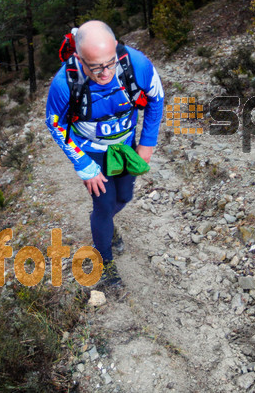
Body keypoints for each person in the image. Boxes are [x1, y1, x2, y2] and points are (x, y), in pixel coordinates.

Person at [45, 20, 165, 294]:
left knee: (124, 197)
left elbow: (156, 97)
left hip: (124, 144)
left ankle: (105, 225)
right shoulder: (65, 83)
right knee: (104, 203)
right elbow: (55, 124)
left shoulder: (136, 64)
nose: (105, 73)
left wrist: (147, 143)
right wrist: (83, 164)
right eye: (95, 66)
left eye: (110, 63)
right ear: (79, 58)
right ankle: (105, 262)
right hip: (91, 150)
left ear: (116, 49)